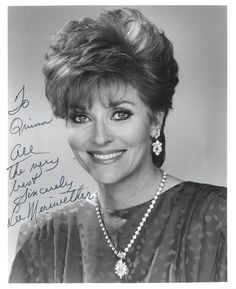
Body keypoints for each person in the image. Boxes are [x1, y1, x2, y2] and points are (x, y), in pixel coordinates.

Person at [9, 7, 226, 283]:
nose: (100, 137)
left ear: (155, 121)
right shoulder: (42, 239)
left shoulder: (218, 220)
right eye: (81, 116)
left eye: (120, 114)